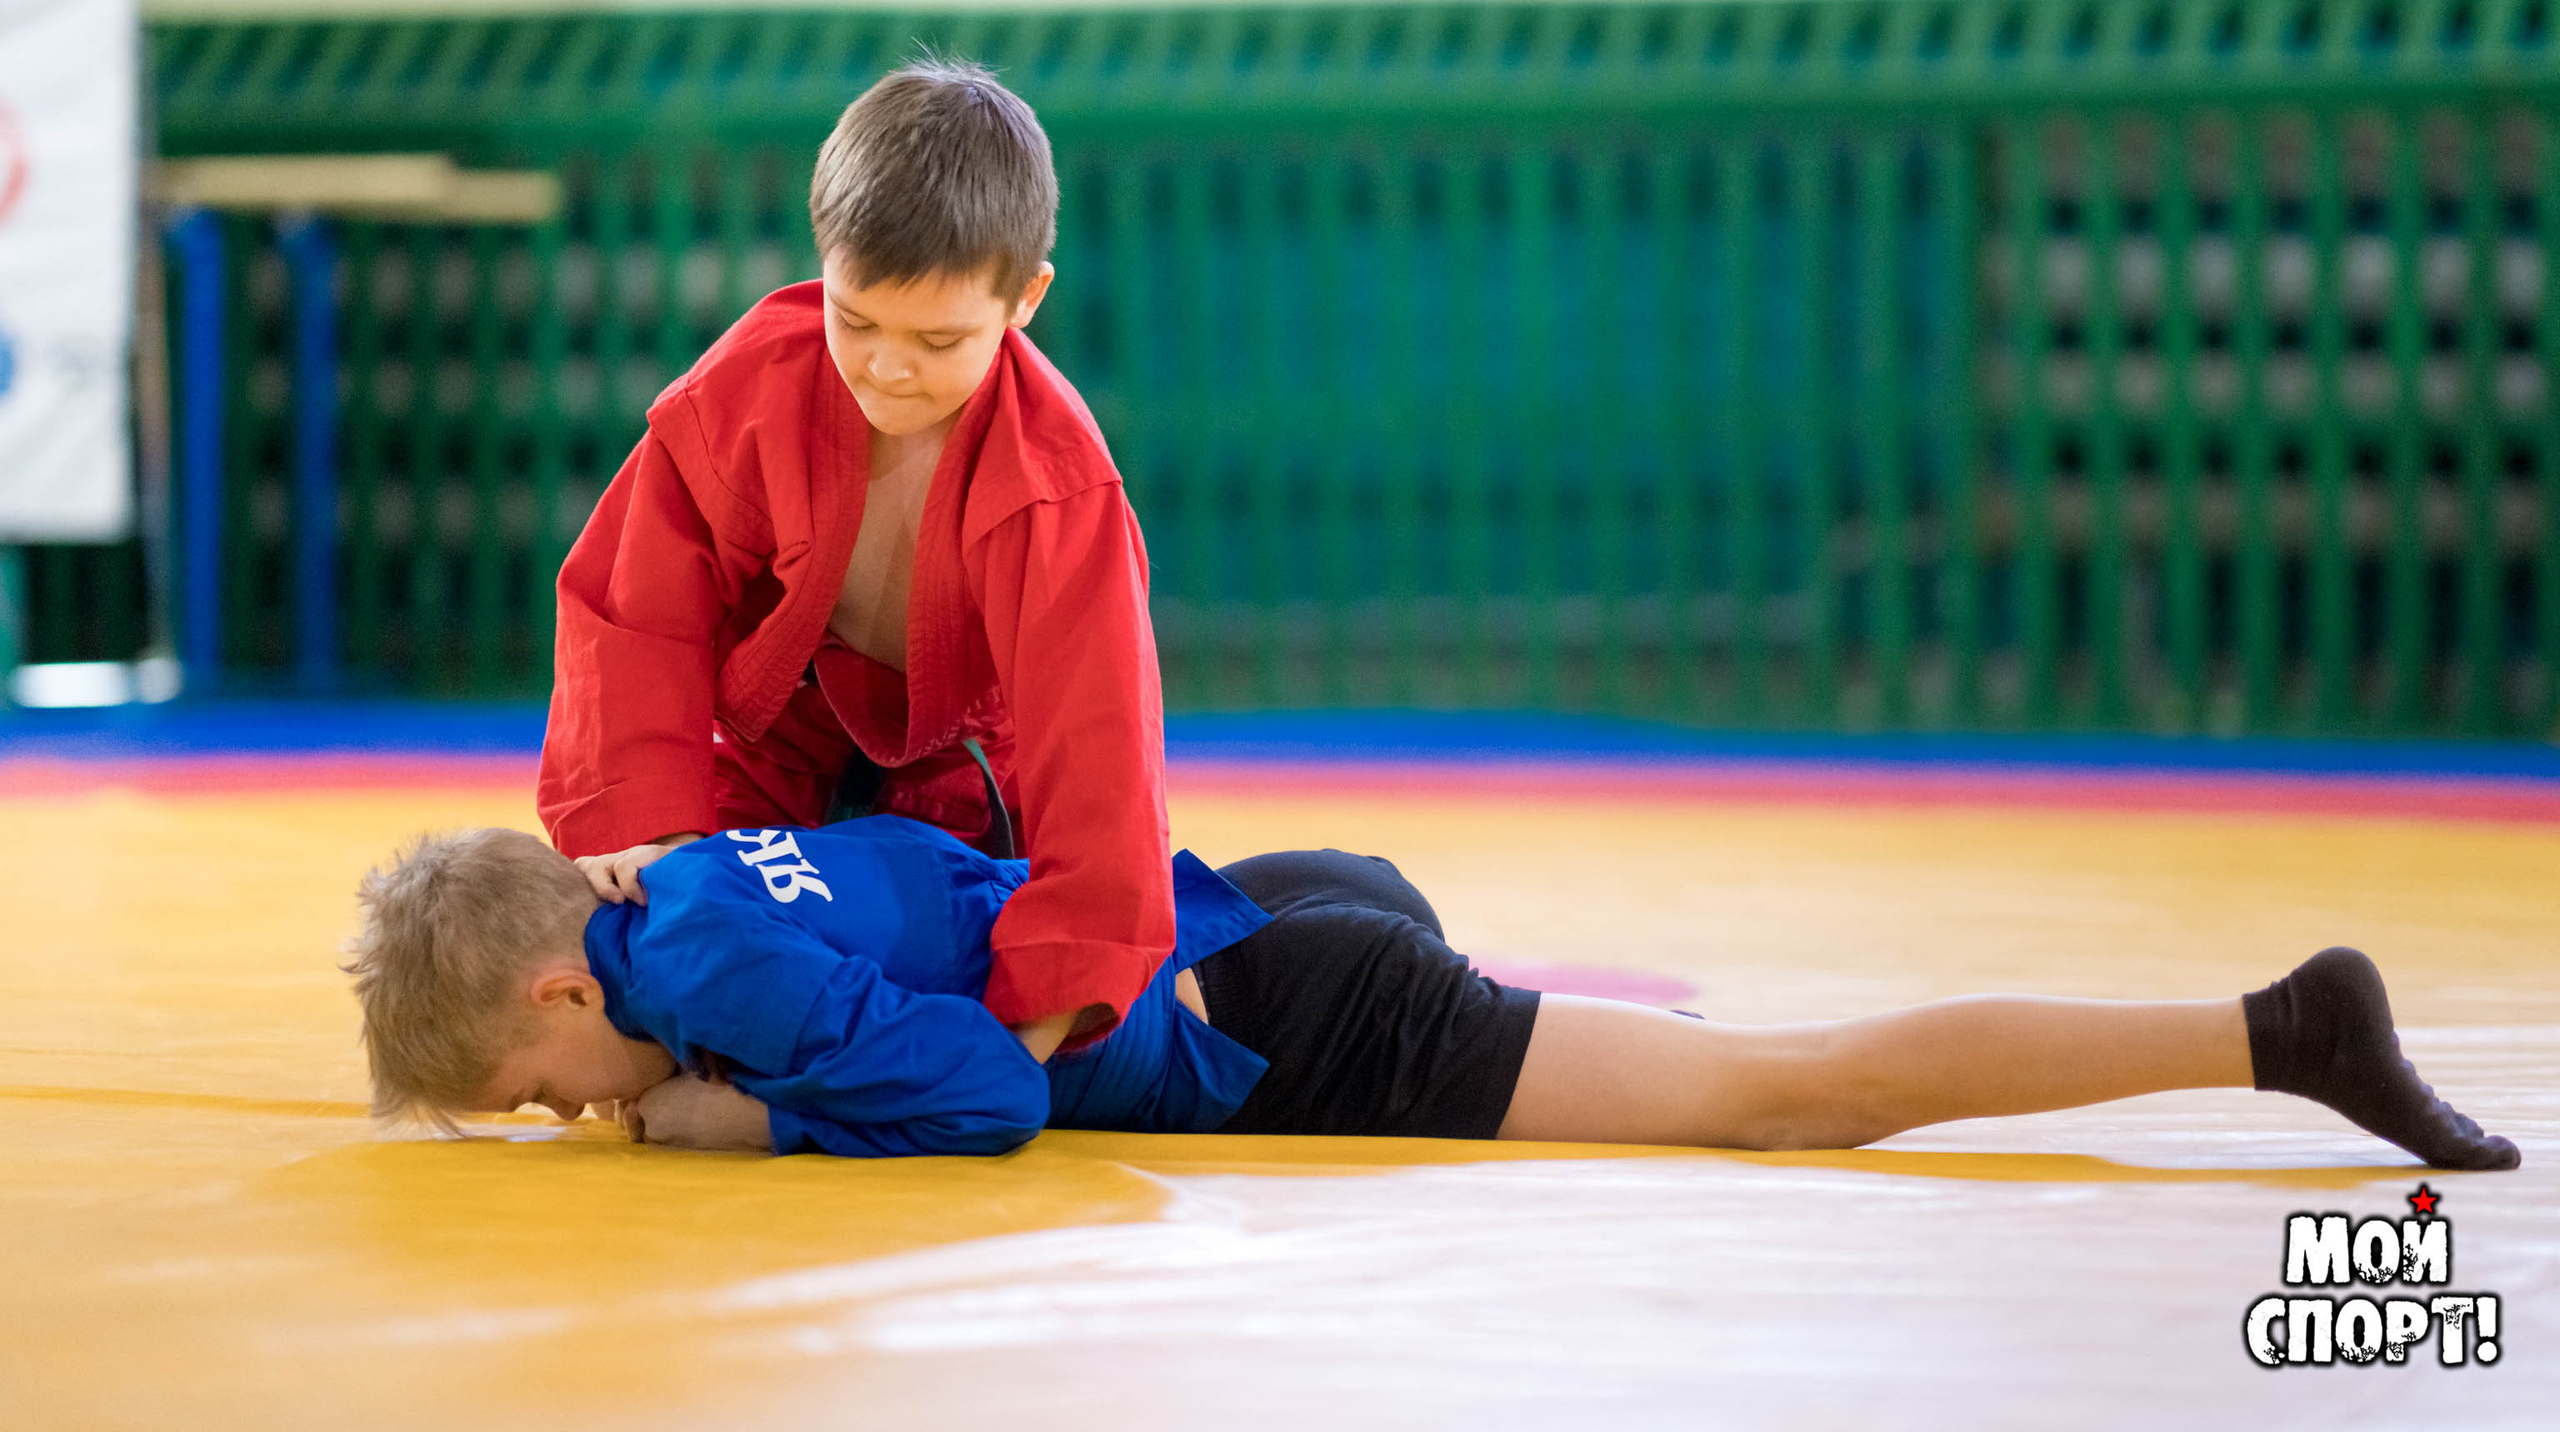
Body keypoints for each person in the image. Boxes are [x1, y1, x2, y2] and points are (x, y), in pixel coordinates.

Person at [347, 821, 2522, 1172]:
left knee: (1779, 1098)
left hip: (1299, 1007)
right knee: (1701, 1068)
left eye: (533, 1079)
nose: (557, 1110)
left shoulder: (703, 964)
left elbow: (984, 1096)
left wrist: (752, 1116)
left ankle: (2273, 1025)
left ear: (563, 969)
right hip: (1271, 901)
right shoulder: (697, 880)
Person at [537, 59, 1170, 1061]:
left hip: (967, 787)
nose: (886, 364)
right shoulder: (750, 388)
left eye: (938, 338)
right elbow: (634, 602)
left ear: (1024, 301)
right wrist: (646, 823)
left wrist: (1037, 1028)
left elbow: (1097, 740)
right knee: (645, 945)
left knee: (922, 978)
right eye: (855, 317)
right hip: (774, 748)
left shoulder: (1053, 482)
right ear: (822, 263)